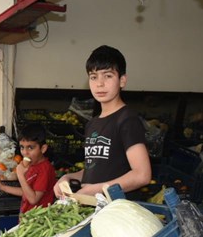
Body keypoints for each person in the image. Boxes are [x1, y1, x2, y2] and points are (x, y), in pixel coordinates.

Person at [54, 45, 151, 197]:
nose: (99, 83)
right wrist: (69, 177)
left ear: (122, 80)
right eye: (94, 77)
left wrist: (96, 190)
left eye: (108, 76)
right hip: (94, 209)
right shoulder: (92, 124)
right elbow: (95, 168)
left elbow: (142, 175)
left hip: (117, 211)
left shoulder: (127, 120)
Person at [0, 124, 57, 215]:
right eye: (22, 147)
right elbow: (26, 192)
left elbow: (33, 199)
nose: (25, 152)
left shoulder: (45, 169)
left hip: (38, 221)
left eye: (30, 147)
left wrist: (20, 175)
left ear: (43, 149)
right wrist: (3, 187)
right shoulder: (31, 165)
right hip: (26, 218)